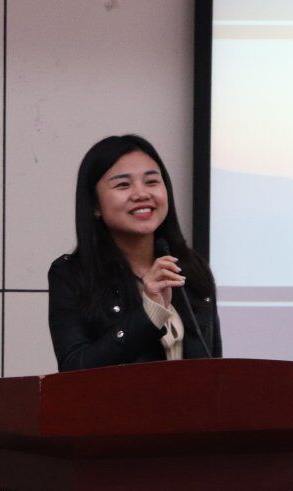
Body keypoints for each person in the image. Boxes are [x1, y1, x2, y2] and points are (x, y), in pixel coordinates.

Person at [48, 134, 222, 371]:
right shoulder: (72, 274)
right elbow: (74, 368)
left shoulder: (191, 269)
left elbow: (215, 368)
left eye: (151, 182)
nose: (141, 194)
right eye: (123, 185)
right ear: (95, 205)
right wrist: (148, 314)